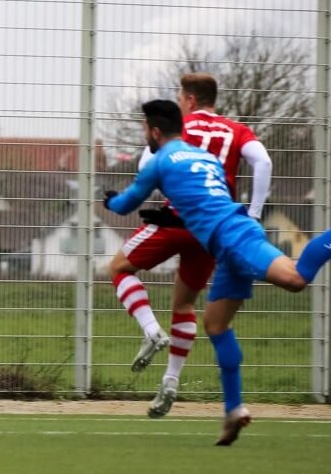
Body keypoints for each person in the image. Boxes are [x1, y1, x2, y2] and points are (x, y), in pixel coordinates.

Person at [103, 100, 326, 445]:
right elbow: (207, 200)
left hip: (233, 238)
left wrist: (109, 200)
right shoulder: (206, 158)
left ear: (155, 131)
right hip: (223, 243)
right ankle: (234, 410)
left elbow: (126, 204)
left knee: (296, 278)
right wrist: (175, 218)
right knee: (216, 325)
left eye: (145, 129)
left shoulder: (160, 161)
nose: (144, 134)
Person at [106, 73, 272, 418]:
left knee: (120, 268)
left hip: (178, 219)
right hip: (213, 231)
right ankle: (171, 379)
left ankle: (150, 331)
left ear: (190, 101)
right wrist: (254, 214)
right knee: (185, 304)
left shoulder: (179, 130)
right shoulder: (236, 130)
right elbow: (263, 162)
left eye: (180, 98)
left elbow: (147, 164)